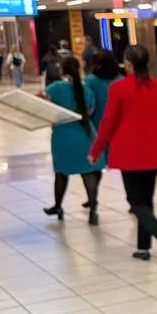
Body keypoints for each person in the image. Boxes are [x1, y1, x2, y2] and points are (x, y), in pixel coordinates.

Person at [88, 45, 157, 265]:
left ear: (128, 64)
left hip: (129, 153)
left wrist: (96, 150)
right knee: (146, 200)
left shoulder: (118, 88)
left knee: (135, 201)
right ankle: (143, 247)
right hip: (155, 151)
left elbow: (108, 123)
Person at [41, 56, 105, 225]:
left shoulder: (55, 88)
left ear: (62, 70)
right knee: (88, 172)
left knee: (61, 173)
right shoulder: (86, 90)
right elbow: (90, 110)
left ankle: (58, 206)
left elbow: (40, 100)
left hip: (63, 136)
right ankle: (93, 209)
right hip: (85, 134)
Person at [80, 49, 122, 211]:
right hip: (119, 127)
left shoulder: (91, 81)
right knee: (126, 166)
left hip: (98, 127)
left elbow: (88, 104)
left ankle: (93, 198)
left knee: (95, 166)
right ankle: (134, 201)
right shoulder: (120, 80)